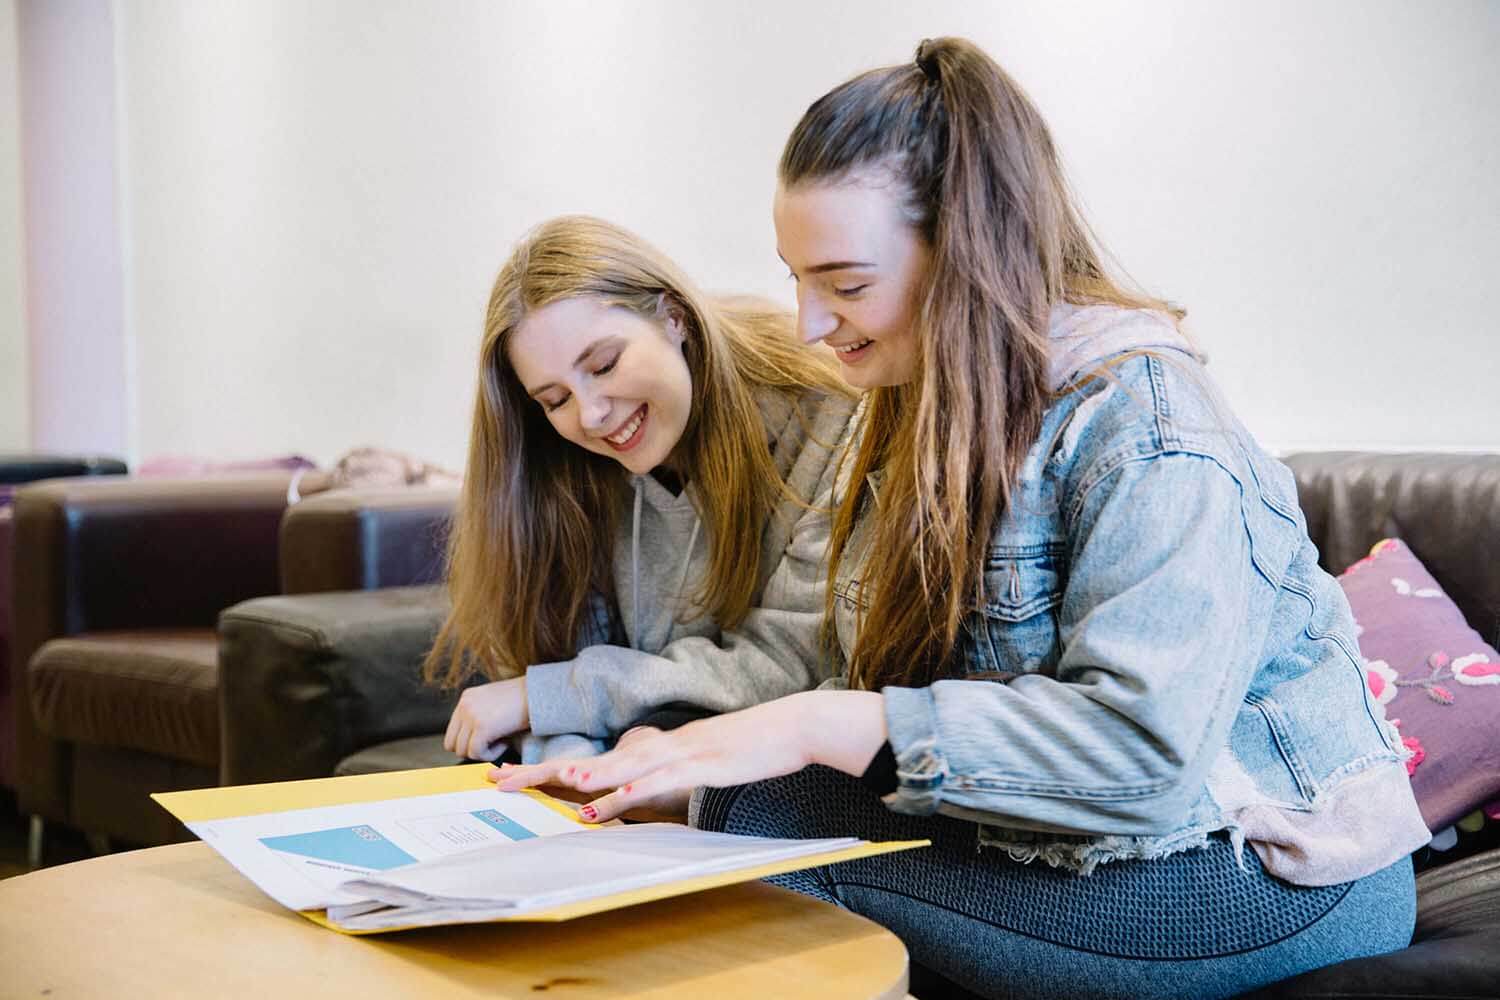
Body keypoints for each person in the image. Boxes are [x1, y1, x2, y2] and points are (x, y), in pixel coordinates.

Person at [493, 39, 1430, 999]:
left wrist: (814, 727)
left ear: (969, 252)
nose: (811, 325)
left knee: (740, 837)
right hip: (1077, 844)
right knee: (704, 804)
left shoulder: (1151, 429)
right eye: (798, 280)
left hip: (1262, 869)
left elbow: (1141, 759)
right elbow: (832, 659)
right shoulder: (909, 406)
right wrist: (674, 746)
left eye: (847, 285)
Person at [428, 215, 857, 771]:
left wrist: (555, 698)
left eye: (604, 365)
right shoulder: (570, 461)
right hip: (641, 762)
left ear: (673, 317)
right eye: (555, 400)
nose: (592, 415)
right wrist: (569, 756)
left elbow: (793, 664)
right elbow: (562, 660)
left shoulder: (826, 415)